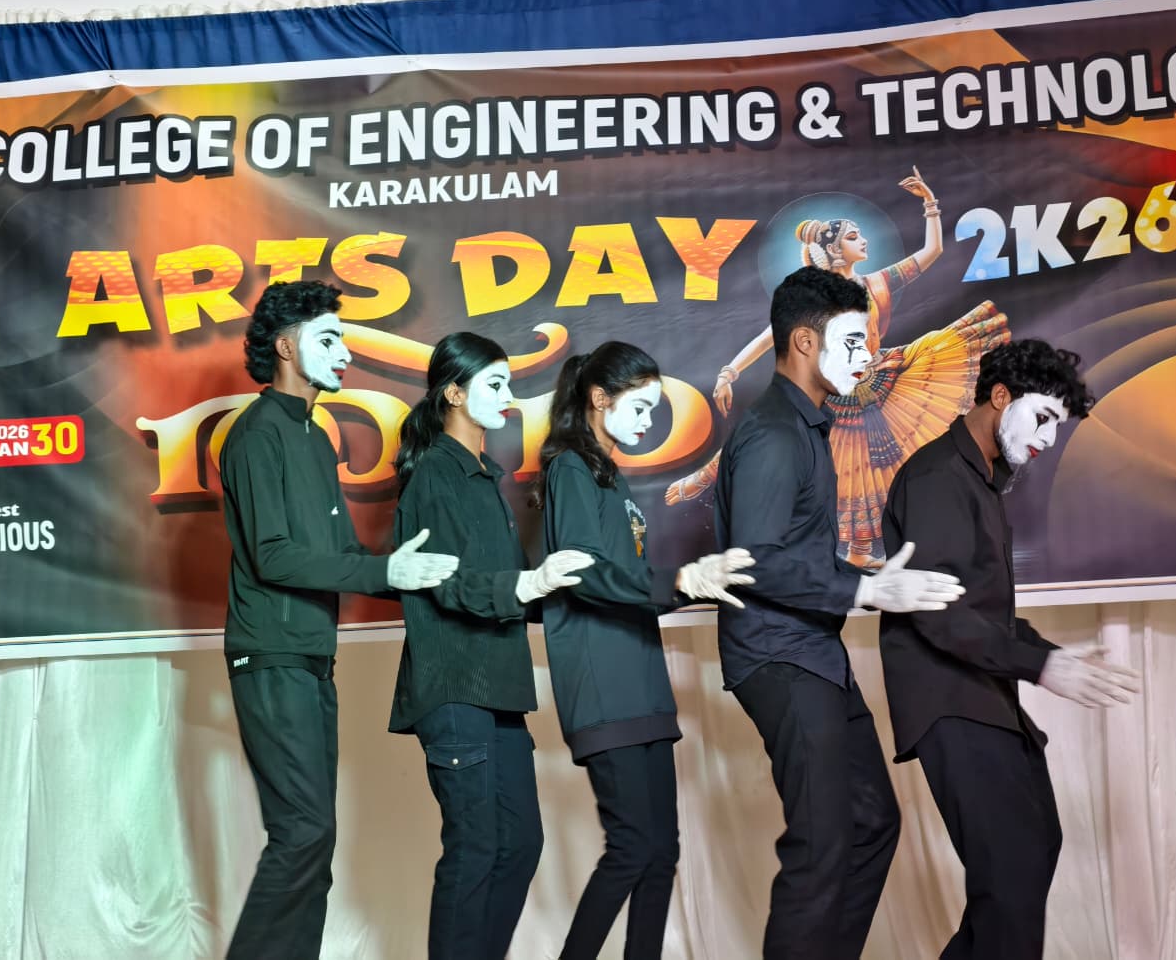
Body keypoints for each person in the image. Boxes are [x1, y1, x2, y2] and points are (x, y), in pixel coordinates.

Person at [713, 266, 965, 960]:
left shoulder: (806, 426)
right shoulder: (773, 433)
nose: (867, 356)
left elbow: (794, 552)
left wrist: (867, 577)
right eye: (854, 342)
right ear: (803, 341)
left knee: (872, 822)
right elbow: (756, 561)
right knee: (822, 843)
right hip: (780, 656)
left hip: (815, 654)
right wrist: (867, 592)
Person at [879, 338, 1142, 960]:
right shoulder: (938, 477)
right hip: (949, 702)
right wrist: (1042, 665)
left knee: (1033, 850)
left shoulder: (982, 482)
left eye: (1057, 426)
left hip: (983, 696)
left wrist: (1054, 657)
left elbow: (983, 614)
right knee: (1012, 874)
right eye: (1043, 418)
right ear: (1000, 396)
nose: (1048, 439)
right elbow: (938, 613)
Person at [219, 279, 459, 959]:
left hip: (310, 659)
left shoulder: (315, 438)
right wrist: (383, 574)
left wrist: (418, 580)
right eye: (329, 340)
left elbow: (346, 556)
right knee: (302, 834)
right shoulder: (256, 434)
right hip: (270, 656)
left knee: (313, 842)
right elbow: (273, 556)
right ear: (286, 347)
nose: (345, 353)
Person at [667, 166, 1008, 567]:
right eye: (852, 236)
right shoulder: (815, 296)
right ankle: (705, 478)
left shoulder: (876, 283)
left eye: (860, 234)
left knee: (873, 470)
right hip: (835, 391)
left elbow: (930, 254)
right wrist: (730, 371)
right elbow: (771, 334)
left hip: (882, 378)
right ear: (833, 250)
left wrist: (930, 206)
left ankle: (862, 552)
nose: (863, 240)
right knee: (813, 454)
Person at [535, 341, 756, 960]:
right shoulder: (571, 469)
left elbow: (627, 582)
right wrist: (678, 578)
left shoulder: (611, 477)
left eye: (656, 410)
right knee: (634, 847)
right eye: (639, 407)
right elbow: (583, 574)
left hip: (642, 680)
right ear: (598, 399)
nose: (649, 421)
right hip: (603, 685)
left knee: (661, 852)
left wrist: (685, 584)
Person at [387, 332, 593, 960]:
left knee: (520, 844)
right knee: (476, 848)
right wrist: (526, 584)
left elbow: (509, 588)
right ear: (454, 393)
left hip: (499, 690)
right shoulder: (435, 475)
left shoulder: (483, 477)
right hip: (455, 690)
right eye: (494, 384)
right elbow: (446, 583)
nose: (508, 395)